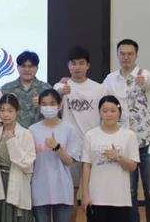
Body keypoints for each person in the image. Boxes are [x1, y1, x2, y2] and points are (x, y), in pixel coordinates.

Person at [103, 39, 150, 222]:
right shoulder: (110, 79)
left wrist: (142, 81)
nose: (126, 57)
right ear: (117, 55)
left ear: (136, 55)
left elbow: (146, 82)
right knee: (129, 190)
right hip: (124, 142)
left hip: (146, 140)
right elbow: (100, 97)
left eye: (130, 54)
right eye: (122, 54)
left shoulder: (144, 74)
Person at [53, 46, 107, 222]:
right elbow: (52, 106)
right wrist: (60, 91)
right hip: (71, 149)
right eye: (73, 63)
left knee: (95, 192)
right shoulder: (62, 87)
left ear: (88, 65)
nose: (77, 67)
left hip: (95, 147)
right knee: (71, 193)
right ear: (68, 66)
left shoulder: (100, 89)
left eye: (81, 63)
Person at [81, 95, 139, 222]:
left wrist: (118, 157)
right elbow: (86, 166)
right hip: (96, 198)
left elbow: (133, 166)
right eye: (105, 111)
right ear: (99, 113)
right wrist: (85, 194)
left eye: (113, 111)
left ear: (119, 112)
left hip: (121, 199)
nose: (109, 114)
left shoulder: (129, 136)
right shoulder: (90, 135)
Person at [30, 89, 81, 222]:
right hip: (39, 187)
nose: (48, 107)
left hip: (62, 188)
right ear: (39, 106)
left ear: (60, 106)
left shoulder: (69, 129)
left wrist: (57, 147)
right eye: (44, 104)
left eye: (52, 103)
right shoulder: (32, 130)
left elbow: (69, 161)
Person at [0, 93, 36, 222]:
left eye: (10, 111)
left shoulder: (25, 134)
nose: (6, 114)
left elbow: (27, 164)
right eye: (2, 110)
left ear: (17, 112)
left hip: (17, 181)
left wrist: (12, 141)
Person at [1, 50, 51, 129]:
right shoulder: (6, 89)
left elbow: (54, 115)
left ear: (37, 68)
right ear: (17, 68)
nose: (27, 69)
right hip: (14, 134)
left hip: (40, 133)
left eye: (30, 66)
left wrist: (43, 104)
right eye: (23, 66)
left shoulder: (46, 88)